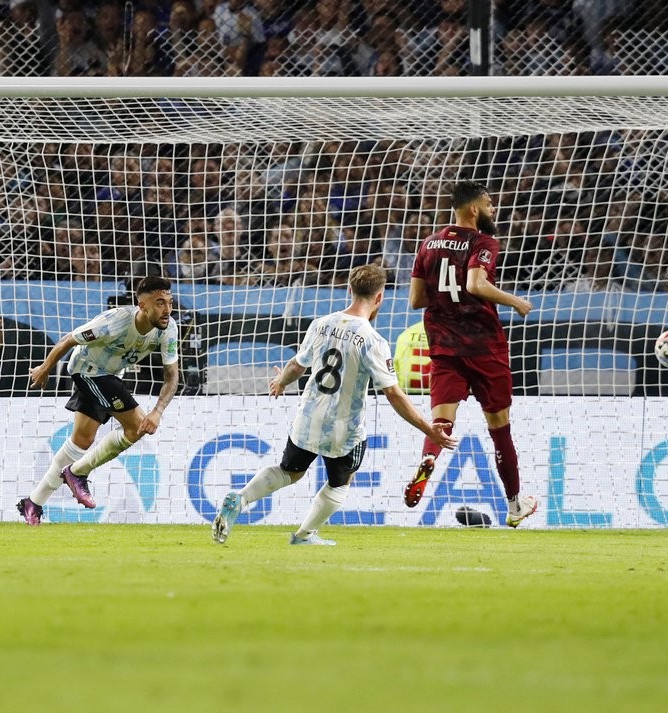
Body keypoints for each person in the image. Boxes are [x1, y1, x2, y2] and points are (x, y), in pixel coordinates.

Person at [211, 265, 455, 545]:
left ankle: (241, 498)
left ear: (350, 290)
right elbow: (394, 394)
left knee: (289, 471)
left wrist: (280, 381)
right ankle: (304, 535)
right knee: (341, 481)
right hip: (344, 428)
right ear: (380, 297)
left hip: (308, 418)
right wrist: (428, 429)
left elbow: (297, 365)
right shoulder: (373, 340)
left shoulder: (321, 324)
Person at [403, 180, 539, 527]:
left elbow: (416, 300)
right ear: (475, 208)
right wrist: (515, 301)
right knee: (500, 428)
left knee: (441, 422)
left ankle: (429, 459)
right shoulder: (483, 242)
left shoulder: (429, 243)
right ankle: (514, 505)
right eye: (489, 204)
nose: (493, 210)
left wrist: (444, 300)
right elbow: (476, 284)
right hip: (483, 346)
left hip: (444, 345)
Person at [18, 275, 180, 524]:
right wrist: (45, 368)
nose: (167, 310)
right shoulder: (114, 322)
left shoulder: (168, 329)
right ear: (142, 305)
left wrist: (158, 411)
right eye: (160, 303)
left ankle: (33, 502)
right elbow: (69, 339)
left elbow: (172, 376)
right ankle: (77, 472)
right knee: (136, 426)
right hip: (87, 371)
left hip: (110, 374)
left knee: (82, 440)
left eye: (169, 302)